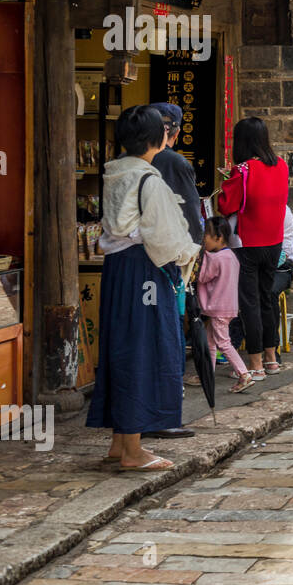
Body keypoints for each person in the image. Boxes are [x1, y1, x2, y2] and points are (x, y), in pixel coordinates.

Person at [86, 105, 198, 472]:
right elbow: (166, 236)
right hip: (145, 269)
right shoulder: (148, 179)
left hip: (119, 271)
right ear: (156, 138)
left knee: (121, 345)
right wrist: (188, 256)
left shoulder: (116, 173)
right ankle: (133, 449)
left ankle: (121, 440)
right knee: (145, 348)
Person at [217, 117, 289, 382]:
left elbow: (226, 206)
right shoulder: (281, 165)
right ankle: (272, 359)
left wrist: (228, 181)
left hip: (248, 243)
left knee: (250, 304)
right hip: (274, 242)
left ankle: (255, 363)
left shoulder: (243, 169)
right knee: (267, 300)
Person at [197, 216, 255, 393]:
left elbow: (202, 277)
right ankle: (207, 373)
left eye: (207, 235)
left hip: (218, 307)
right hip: (229, 306)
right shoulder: (231, 256)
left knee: (223, 343)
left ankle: (244, 373)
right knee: (210, 341)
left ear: (218, 237)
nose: (204, 239)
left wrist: (200, 257)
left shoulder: (215, 259)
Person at [149, 102, 203, 244]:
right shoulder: (176, 162)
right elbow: (189, 210)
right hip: (166, 247)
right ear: (177, 132)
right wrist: (196, 245)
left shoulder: (127, 159)